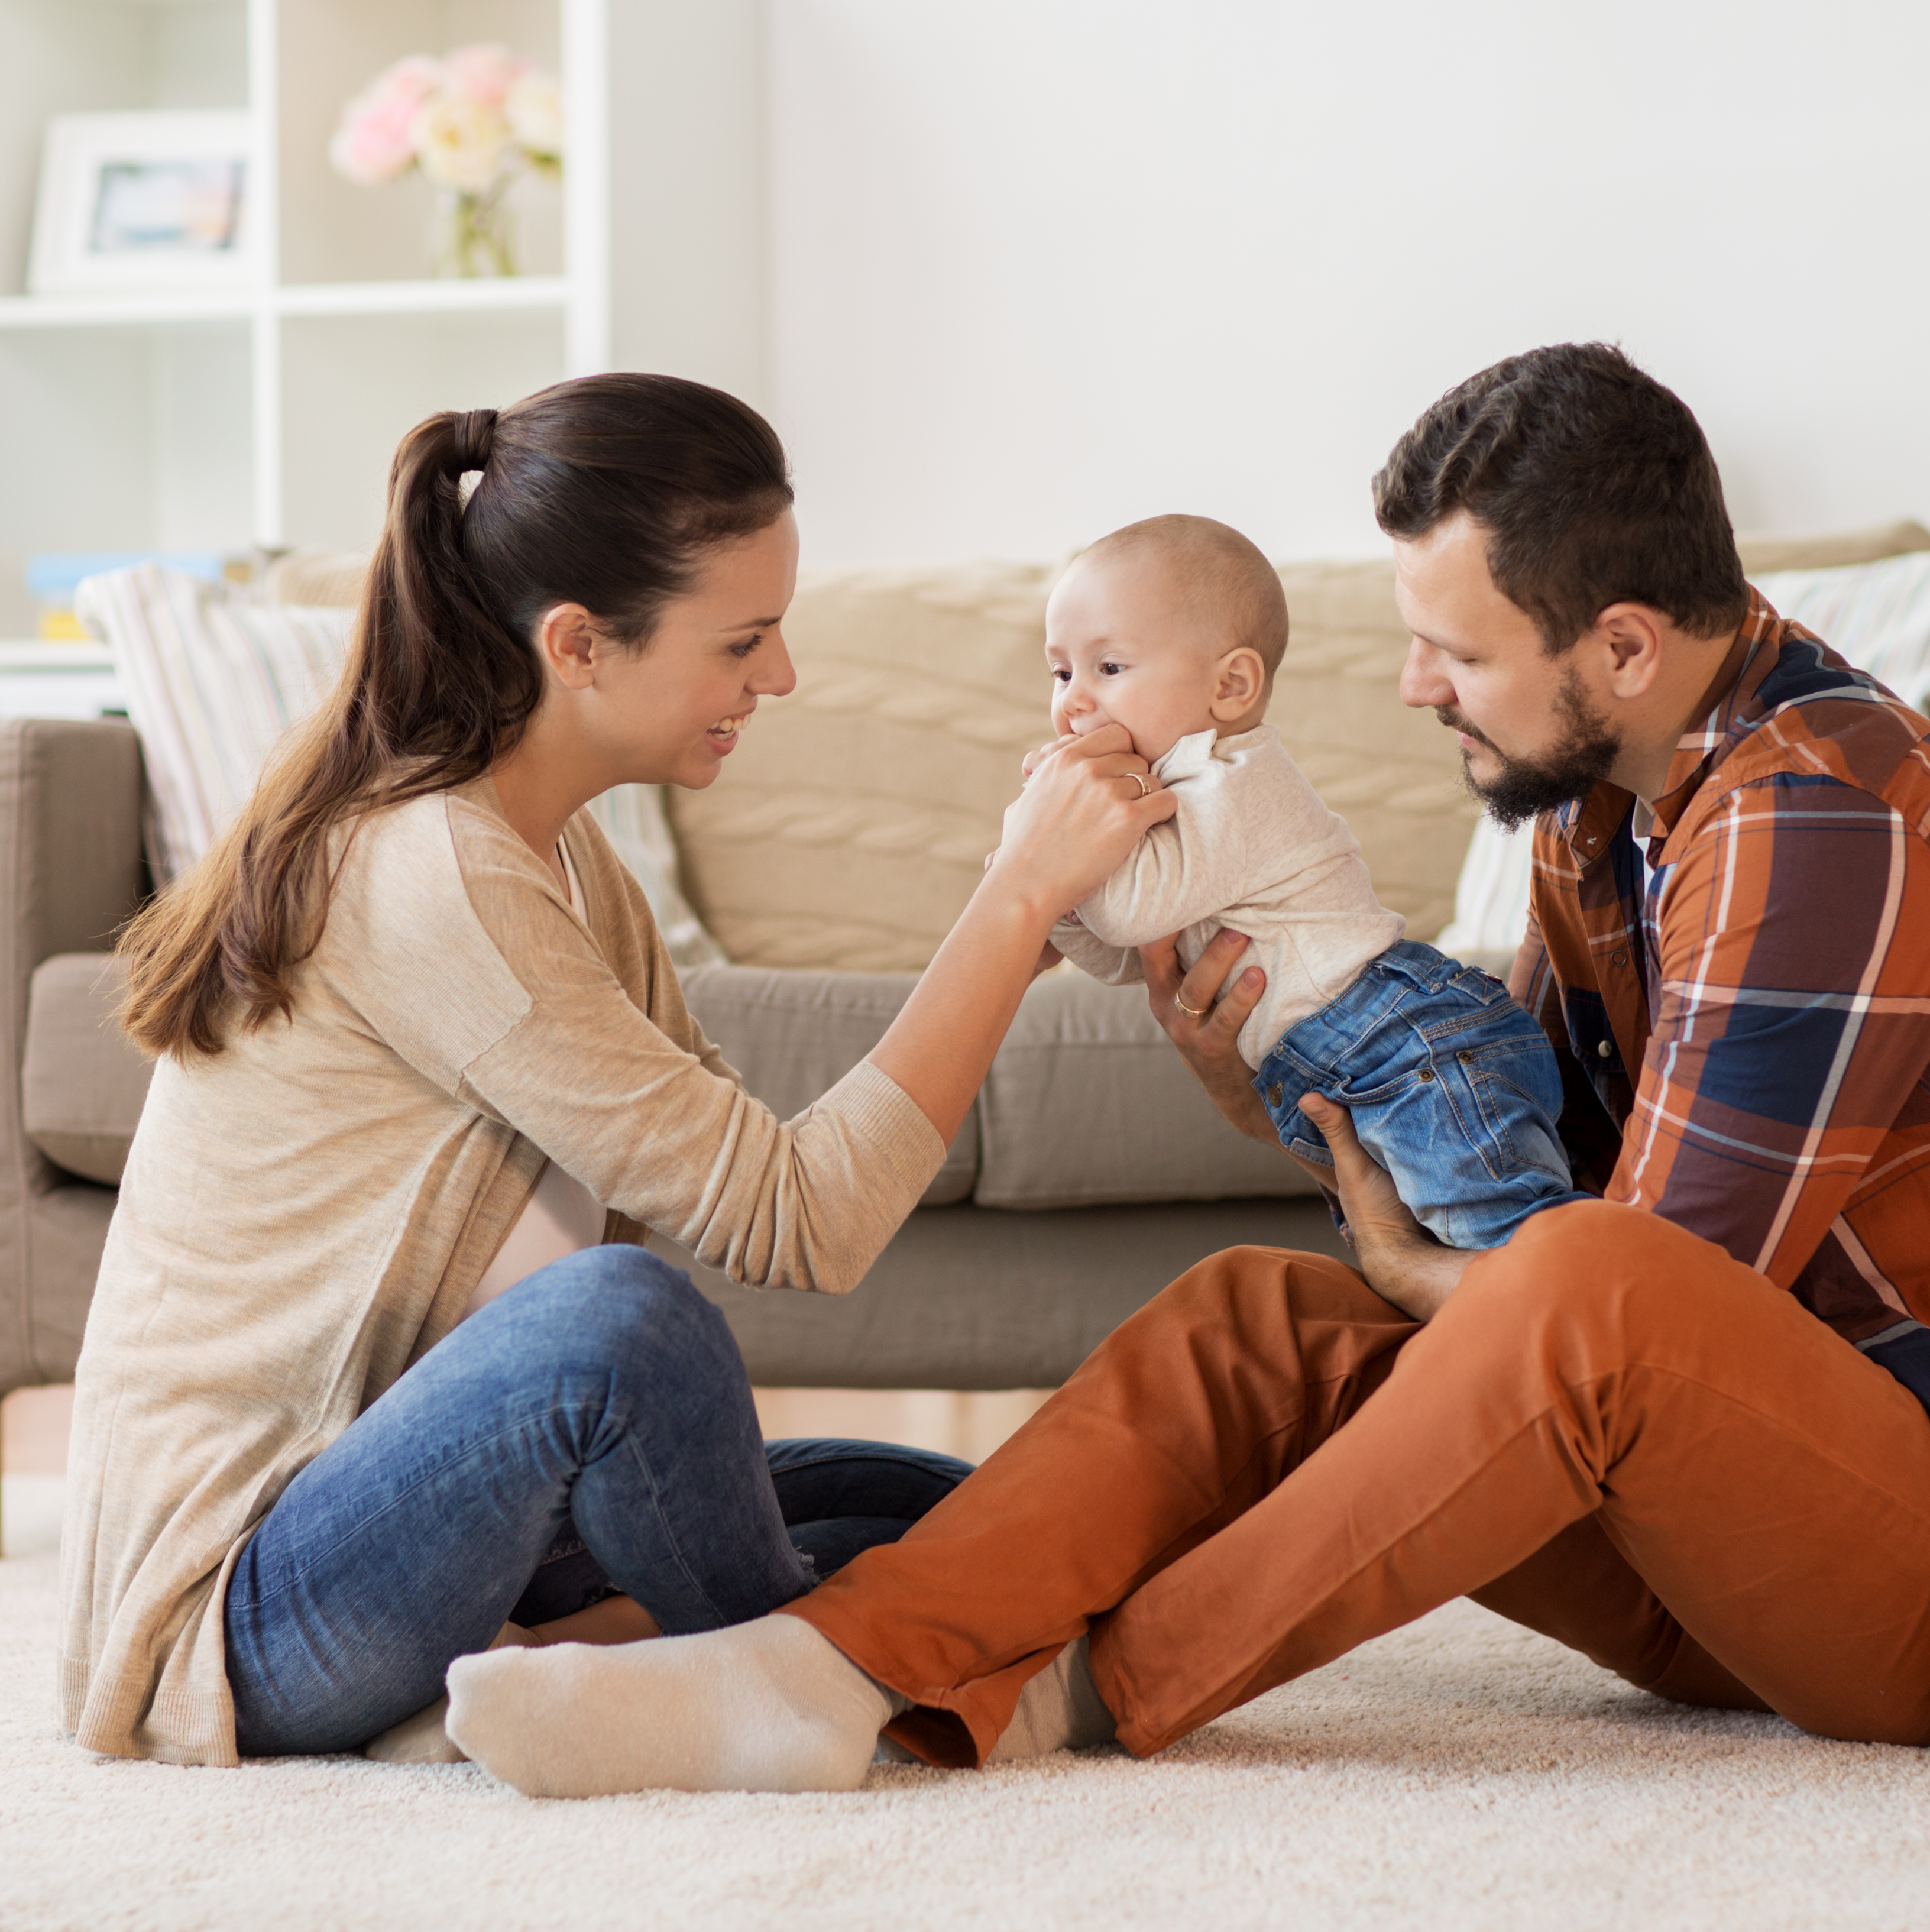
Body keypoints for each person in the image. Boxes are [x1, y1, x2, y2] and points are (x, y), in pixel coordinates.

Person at [441, 344, 1930, 1795]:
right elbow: (1542, 1190)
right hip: (1753, 1511)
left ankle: (1069, 1694)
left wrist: (1422, 1277)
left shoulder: (1814, 817)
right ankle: (834, 1672)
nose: (1411, 691)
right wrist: (1282, 1116)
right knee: (1253, 1320)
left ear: (1618, 644)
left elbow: (1644, 1301)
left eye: (1451, 652)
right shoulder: (1604, 813)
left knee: (1586, 1287)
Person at [57, 373, 1176, 1766]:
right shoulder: (433, 872)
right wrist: (1008, 902)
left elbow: (764, 1173)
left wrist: (1064, 909)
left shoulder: (565, 857)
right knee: (620, 1325)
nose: (779, 677)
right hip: (244, 1614)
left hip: (457, 1531)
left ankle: (575, 1670)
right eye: (744, 640)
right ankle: (815, 1680)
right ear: (580, 642)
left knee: (964, 1510)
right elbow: (800, 1223)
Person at [1034, 512, 1585, 1252]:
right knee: (1449, 1259)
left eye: (1108, 669)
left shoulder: (1234, 780)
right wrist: (1053, 904)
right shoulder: (1157, 800)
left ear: (1230, 685)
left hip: (1402, 1043)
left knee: (1517, 1258)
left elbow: (1131, 916)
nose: (1071, 700)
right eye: (1060, 672)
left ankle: (1633, 1333)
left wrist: (1044, 859)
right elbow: (1120, 957)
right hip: (1338, 1067)